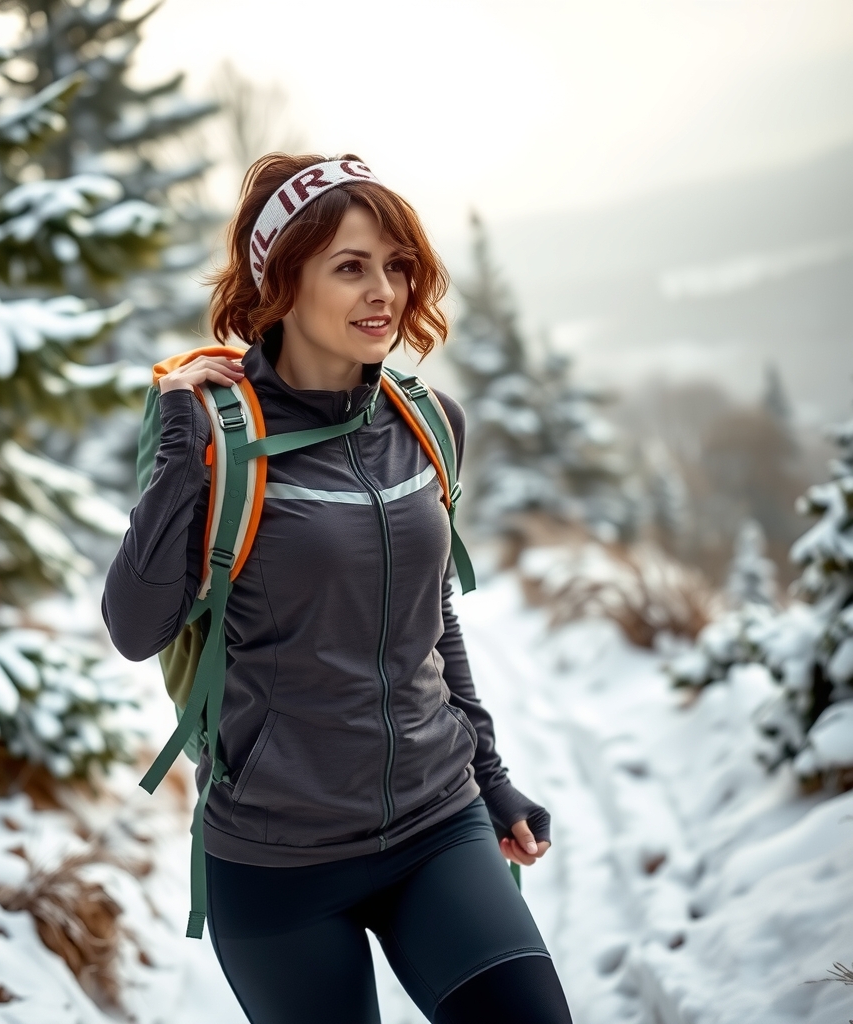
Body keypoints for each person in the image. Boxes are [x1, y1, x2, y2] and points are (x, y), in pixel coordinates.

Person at [102, 153, 573, 1024]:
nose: (384, 291)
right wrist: (177, 456)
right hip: (280, 863)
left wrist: (490, 773)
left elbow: (433, 617)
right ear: (279, 284)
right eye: (351, 267)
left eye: (396, 266)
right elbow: (133, 627)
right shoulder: (213, 437)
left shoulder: (426, 423)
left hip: (440, 824)